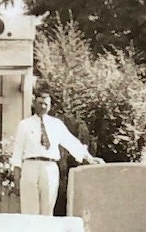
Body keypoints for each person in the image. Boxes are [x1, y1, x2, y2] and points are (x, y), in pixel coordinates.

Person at [11, 86, 97, 217]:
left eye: (46, 104)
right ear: (34, 104)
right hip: (30, 166)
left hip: (50, 167)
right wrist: (16, 178)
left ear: (50, 105)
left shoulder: (56, 124)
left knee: (48, 207)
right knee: (29, 209)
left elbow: (71, 142)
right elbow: (17, 152)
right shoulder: (24, 124)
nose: (43, 107)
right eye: (40, 103)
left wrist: (89, 158)